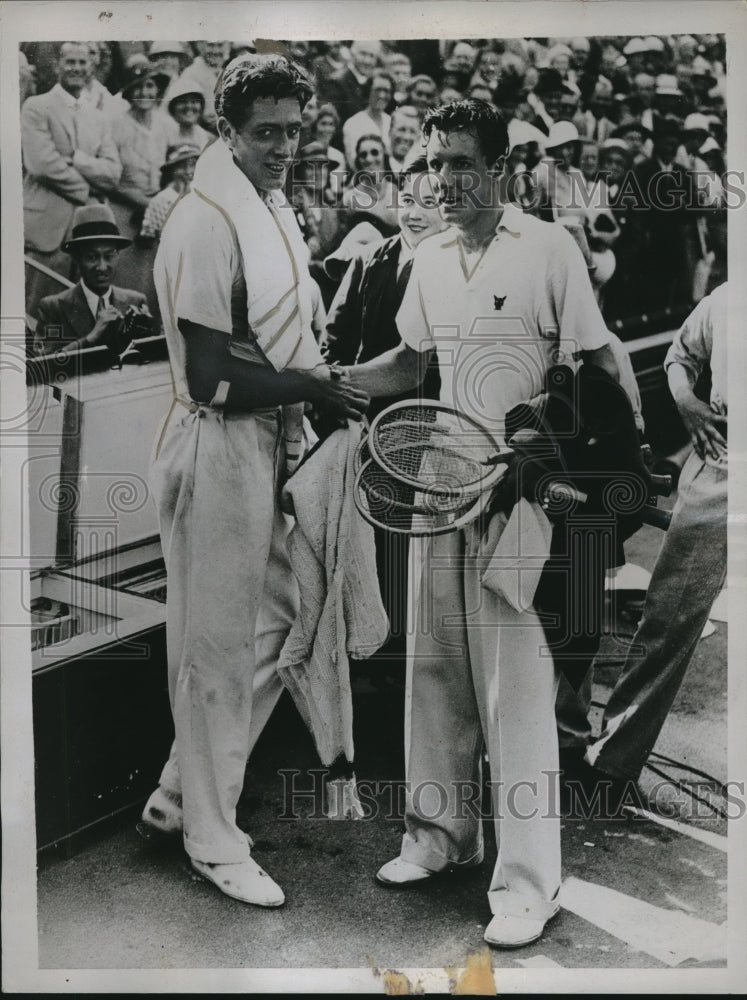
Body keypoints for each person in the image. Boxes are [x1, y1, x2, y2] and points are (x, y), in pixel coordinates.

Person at [345, 99, 619, 949]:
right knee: (435, 671)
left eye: (463, 162)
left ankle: (528, 884)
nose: (446, 179)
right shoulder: (425, 258)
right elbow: (406, 364)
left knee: (517, 693)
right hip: (438, 480)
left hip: (519, 495)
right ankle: (438, 838)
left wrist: (554, 458)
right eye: (434, 163)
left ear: (500, 168)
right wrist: (318, 383)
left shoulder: (548, 249)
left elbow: (590, 369)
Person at [139, 53, 368, 908]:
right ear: (225, 130)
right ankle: (210, 835)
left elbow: (271, 340)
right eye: (262, 131)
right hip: (216, 443)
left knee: (279, 621)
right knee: (217, 652)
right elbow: (208, 374)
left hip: (266, 440)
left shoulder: (269, 204)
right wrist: (313, 386)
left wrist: (313, 384)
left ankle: (176, 793)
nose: (280, 145)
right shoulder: (203, 221)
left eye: (291, 129)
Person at [582, 283, 727, 797]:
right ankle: (611, 764)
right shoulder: (729, 299)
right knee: (668, 616)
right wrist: (687, 402)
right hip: (725, 465)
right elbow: (679, 356)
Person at [321, 155, 444, 678]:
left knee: (422, 549)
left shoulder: (454, 265)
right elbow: (336, 339)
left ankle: (414, 668)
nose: (415, 214)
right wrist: (339, 398)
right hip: (368, 422)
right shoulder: (372, 260)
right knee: (374, 542)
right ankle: (376, 659)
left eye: (430, 202)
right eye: (409, 201)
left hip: (429, 427)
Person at [22, 41, 121, 296]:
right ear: (57, 66)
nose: (76, 68)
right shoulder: (36, 106)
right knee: (39, 310)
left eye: (82, 62)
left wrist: (77, 159)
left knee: (79, 311)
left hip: (87, 234)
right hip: (47, 229)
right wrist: (86, 190)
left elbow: (112, 173)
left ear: (91, 67)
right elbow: (42, 164)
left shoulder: (98, 117)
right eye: (70, 62)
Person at [33, 203, 150, 355]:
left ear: (118, 256)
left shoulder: (136, 302)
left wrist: (150, 335)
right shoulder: (53, 308)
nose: (102, 267)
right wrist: (90, 338)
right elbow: (43, 365)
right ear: (76, 258)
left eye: (109, 257)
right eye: (91, 257)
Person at [108, 55, 172, 241]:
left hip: (159, 211)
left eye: (150, 86)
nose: (144, 92)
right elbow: (111, 181)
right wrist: (146, 203)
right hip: (124, 211)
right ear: (128, 92)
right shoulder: (116, 126)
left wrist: (160, 202)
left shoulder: (166, 125)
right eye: (138, 87)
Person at [139, 143, 200, 243]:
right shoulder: (163, 199)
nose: (188, 170)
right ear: (172, 169)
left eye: (193, 164)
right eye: (181, 166)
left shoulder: (197, 198)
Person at [342, 133, 399, 234]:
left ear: (384, 155)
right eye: (363, 155)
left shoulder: (398, 193)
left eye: (375, 153)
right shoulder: (349, 198)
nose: (369, 159)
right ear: (358, 160)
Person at [342, 72, 393, 169]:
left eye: (387, 91)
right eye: (377, 90)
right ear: (368, 91)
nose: (382, 95)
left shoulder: (391, 121)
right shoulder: (353, 123)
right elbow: (354, 163)